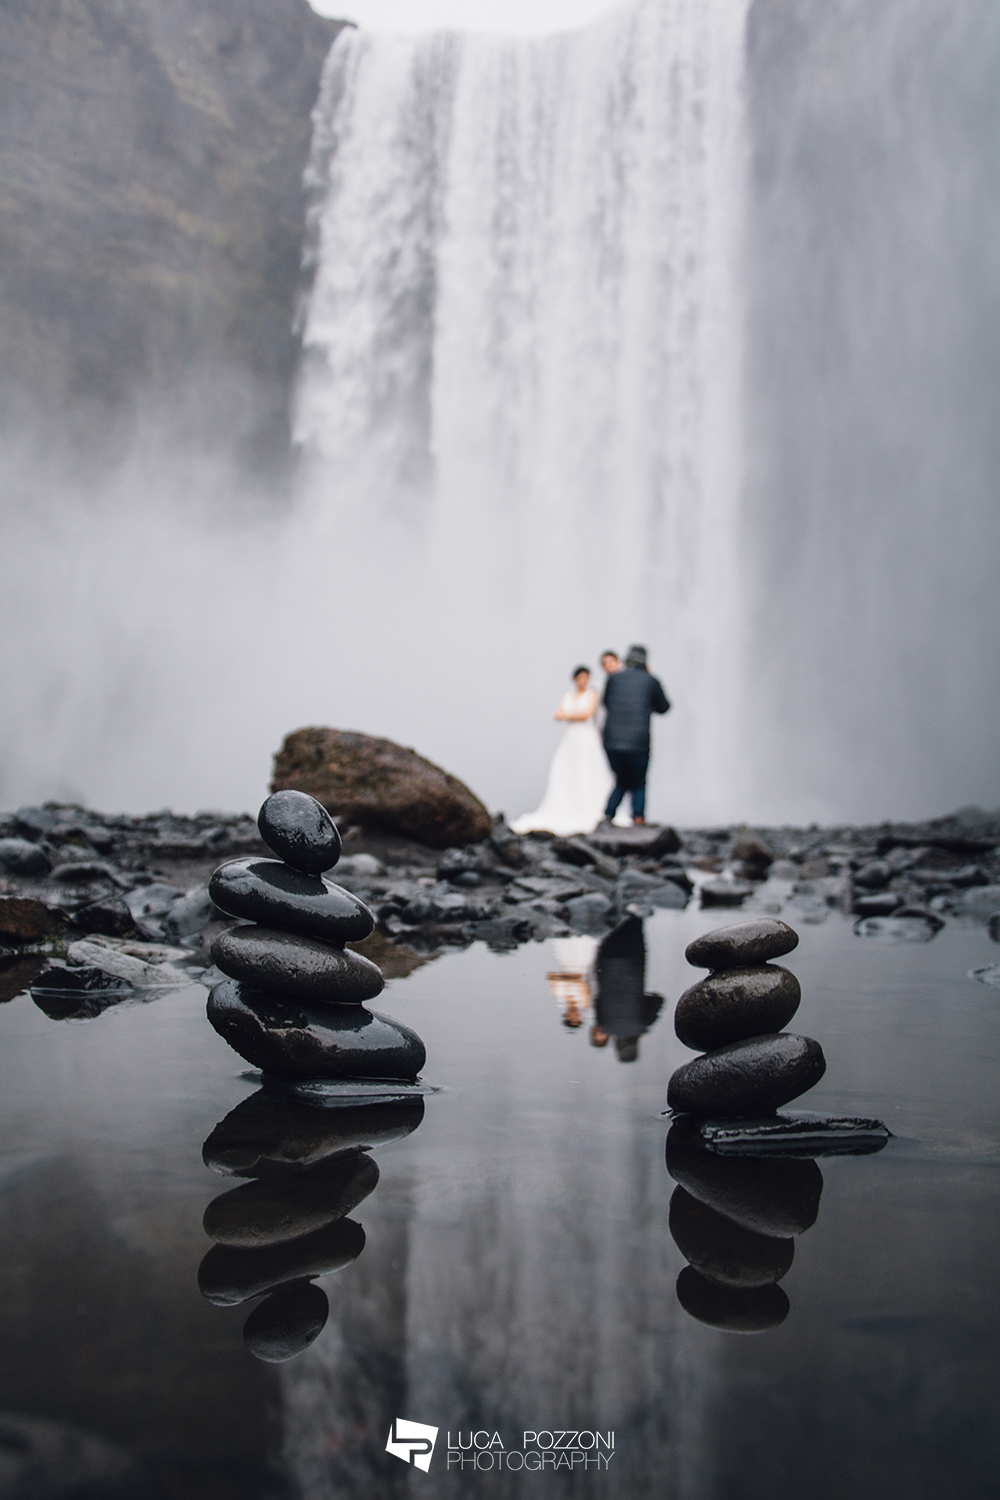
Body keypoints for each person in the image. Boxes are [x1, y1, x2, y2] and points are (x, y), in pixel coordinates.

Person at [511, 666, 613, 836]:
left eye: (586, 678)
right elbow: (558, 715)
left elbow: (585, 714)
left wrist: (569, 714)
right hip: (572, 737)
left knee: (587, 770)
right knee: (567, 771)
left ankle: (590, 808)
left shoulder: (592, 694)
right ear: (575, 680)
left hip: (586, 737)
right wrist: (574, 715)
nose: (583, 682)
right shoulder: (569, 696)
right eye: (580, 678)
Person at [601, 644, 670, 825]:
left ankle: (608, 816)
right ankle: (638, 820)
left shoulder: (613, 679)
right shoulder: (650, 681)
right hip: (638, 742)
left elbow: (606, 703)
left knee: (622, 779)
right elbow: (664, 707)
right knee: (638, 782)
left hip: (612, 742)